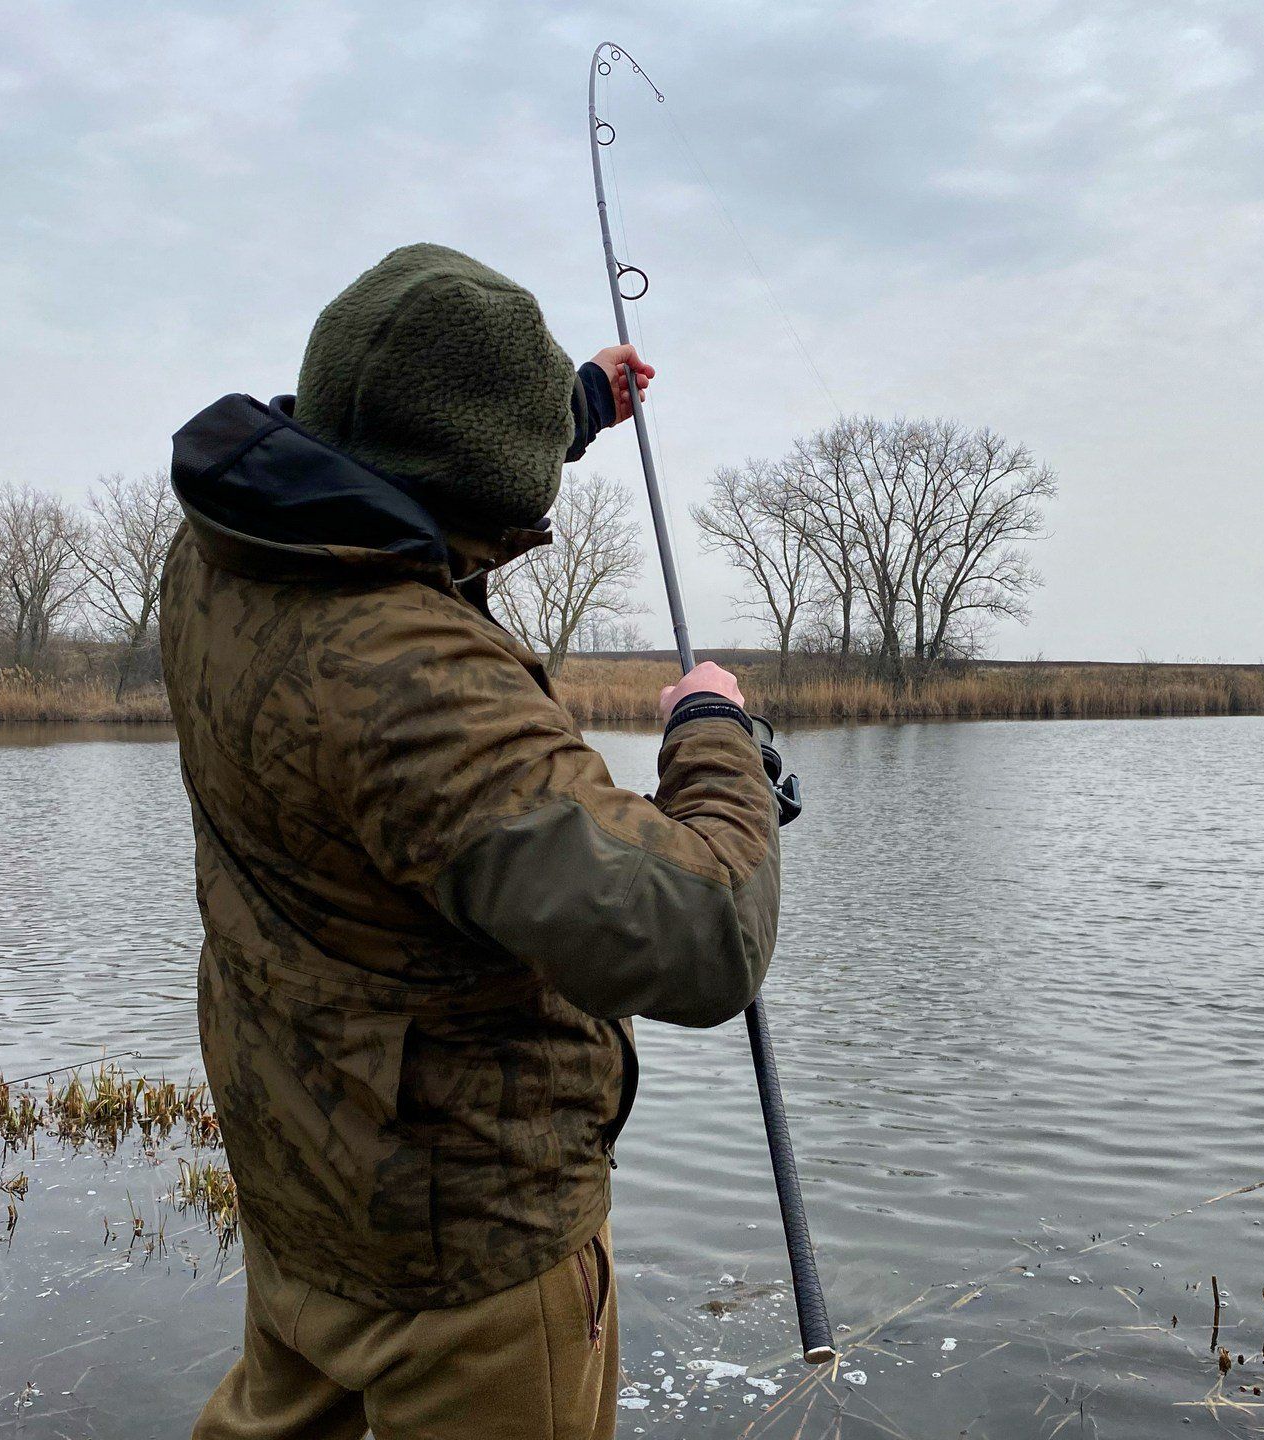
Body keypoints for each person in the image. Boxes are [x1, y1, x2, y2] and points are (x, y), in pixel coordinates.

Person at [158, 243, 783, 1440]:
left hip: (310, 1185)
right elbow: (699, 934)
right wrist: (714, 733)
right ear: (476, 495)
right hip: (466, 1258)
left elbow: (394, 471)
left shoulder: (215, 555)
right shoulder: (410, 679)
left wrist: (580, 405)